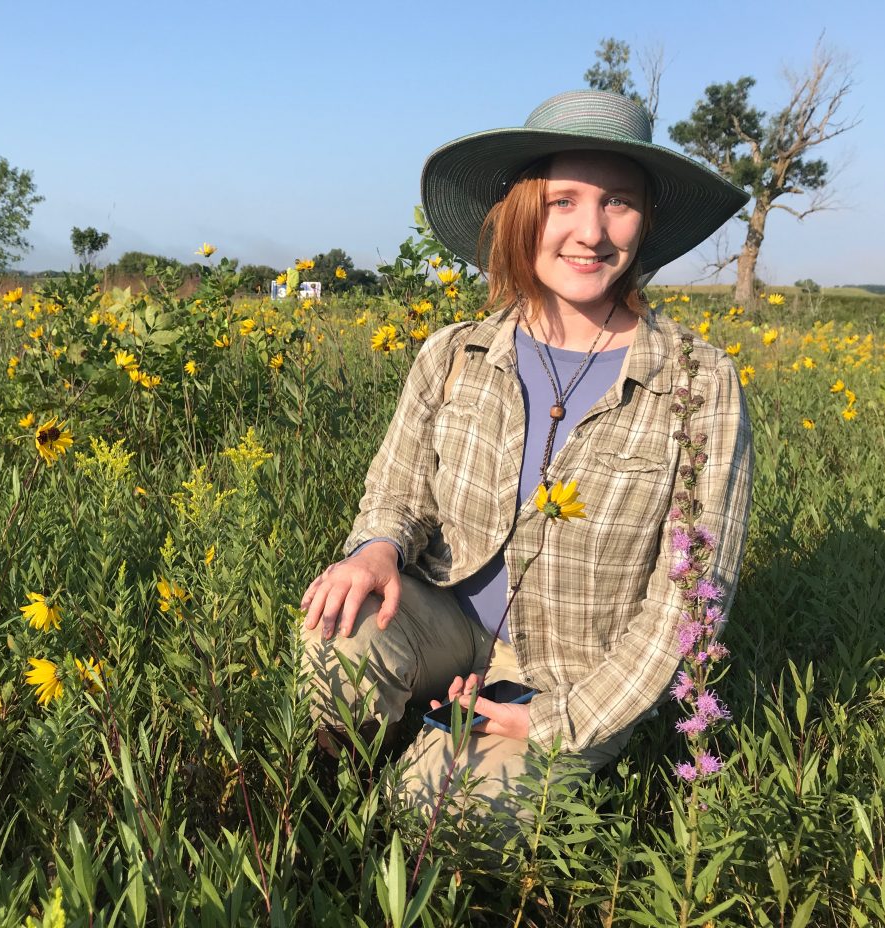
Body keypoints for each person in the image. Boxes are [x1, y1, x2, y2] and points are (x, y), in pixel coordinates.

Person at [299, 89, 754, 822]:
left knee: (432, 825)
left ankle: (434, 784)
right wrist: (375, 551)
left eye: (619, 203)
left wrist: (555, 721)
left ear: (646, 223)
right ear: (521, 211)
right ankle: (334, 794)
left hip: (573, 673)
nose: (591, 231)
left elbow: (689, 604)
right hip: (449, 621)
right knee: (336, 634)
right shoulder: (455, 353)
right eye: (563, 201)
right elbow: (396, 491)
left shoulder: (698, 384)